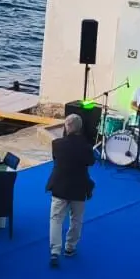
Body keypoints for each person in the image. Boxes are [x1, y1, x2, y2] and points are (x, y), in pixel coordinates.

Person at [46, 114, 96, 268]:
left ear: (66, 127)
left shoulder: (57, 144)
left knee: (56, 219)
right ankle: (70, 247)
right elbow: (91, 162)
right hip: (79, 186)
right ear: (80, 128)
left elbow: (56, 159)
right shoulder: (86, 147)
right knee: (76, 219)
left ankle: (55, 251)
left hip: (59, 185)